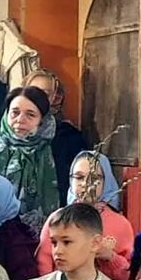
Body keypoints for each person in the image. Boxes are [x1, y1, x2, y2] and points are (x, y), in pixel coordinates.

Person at [0, 86, 58, 238]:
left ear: (42, 121)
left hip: (40, 240)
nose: (20, 120)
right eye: (15, 113)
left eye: (30, 115)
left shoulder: (57, 154)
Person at [34, 151, 134, 280]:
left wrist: (110, 256)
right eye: (79, 177)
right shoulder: (58, 219)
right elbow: (43, 266)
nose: (86, 184)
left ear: (106, 182)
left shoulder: (120, 224)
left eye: (95, 178)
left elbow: (129, 276)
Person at [22, 68, 89, 206]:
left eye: (45, 94)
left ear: (54, 98)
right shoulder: (9, 133)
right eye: (33, 92)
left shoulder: (70, 136)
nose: (38, 98)